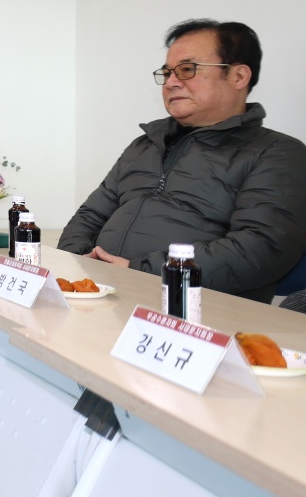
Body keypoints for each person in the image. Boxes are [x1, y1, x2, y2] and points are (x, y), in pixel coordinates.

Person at [59, 19, 306, 303]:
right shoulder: (145, 145)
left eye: (187, 69)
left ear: (238, 76)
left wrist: (138, 272)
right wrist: (78, 265)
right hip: (102, 294)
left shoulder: (277, 153)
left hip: (193, 307)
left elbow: (261, 249)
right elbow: (90, 215)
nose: (171, 82)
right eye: (167, 73)